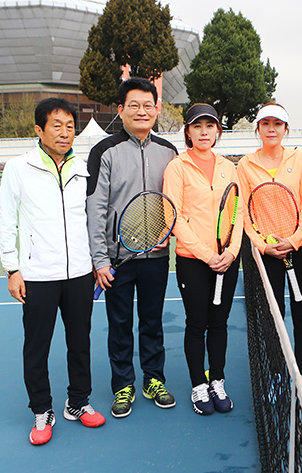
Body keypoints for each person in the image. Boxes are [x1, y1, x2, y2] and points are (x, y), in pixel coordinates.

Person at [0, 98, 105, 445]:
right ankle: (42, 410)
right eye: (56, 126)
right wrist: (12, 269)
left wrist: (95, 262)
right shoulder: (18, 168)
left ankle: (78, 402)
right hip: (37, 275)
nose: (64, 133)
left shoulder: (83, 168)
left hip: (79, 274)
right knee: (36, 347)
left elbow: (90, 219)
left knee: (80, 343)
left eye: (70, 126)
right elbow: (5, 220)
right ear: (38, 130)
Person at [87, 78, 177, 418]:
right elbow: (95, 209)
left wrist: (168, 234)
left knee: (152, 322)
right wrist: (100, 260)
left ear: (157, 110)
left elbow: (177, 201)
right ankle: (123, 384)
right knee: (119, 325)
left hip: (157, 256)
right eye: (134, 105)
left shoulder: (169, 151)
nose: (142, 111)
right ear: (121, 110)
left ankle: (153, 379)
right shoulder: (104, 151)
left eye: (148, 105)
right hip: (117, 260)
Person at [163, 103, 243, 415]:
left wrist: (231, 252)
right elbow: (173, 217)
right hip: (193, 261)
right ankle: (199, 384)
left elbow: (238, 212)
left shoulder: (228, 167)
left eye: (210, 126)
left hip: (227, 261)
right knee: (197, 323)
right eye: (197, 126)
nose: (204, 132)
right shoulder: (177, 167)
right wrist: (207, 254)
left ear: (218, 131)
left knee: (219, 323)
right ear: (188, 132)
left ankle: (217, 380)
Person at [236, 103, 302, 382]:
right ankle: (276, 373)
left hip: (299, 250)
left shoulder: (300, 159)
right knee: (273, 317)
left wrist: (294, 240)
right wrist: (263, 245)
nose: (271, 129)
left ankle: (301, 374)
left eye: (277, 124)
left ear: (286, 129)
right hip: (267, 253)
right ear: (258, 128)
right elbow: (243, 212)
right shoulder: (245, 165)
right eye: (266, 123)